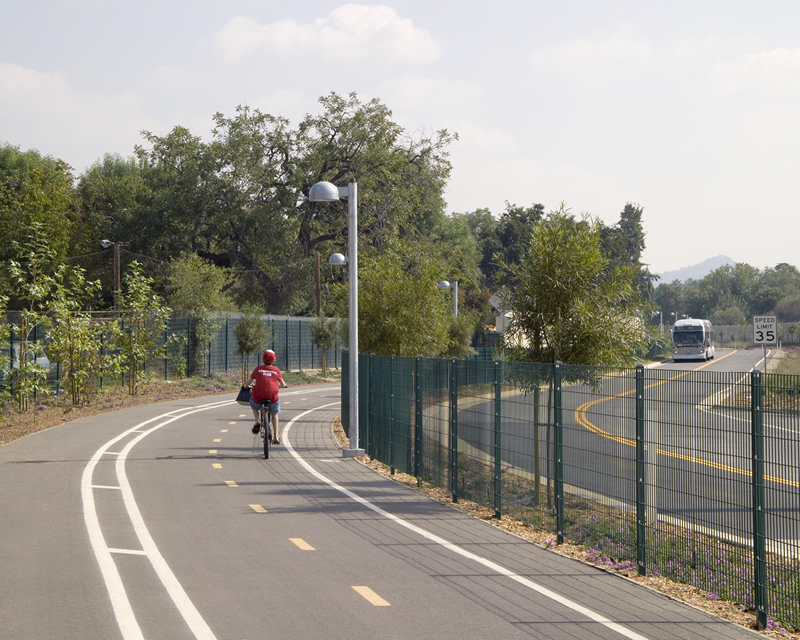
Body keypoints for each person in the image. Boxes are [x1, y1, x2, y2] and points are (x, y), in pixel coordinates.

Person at [247, 349, 287, 444]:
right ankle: (276, 436)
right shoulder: (276, 370)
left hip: (258, 395)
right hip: (272, 396)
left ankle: (257, 421)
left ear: (263, 359)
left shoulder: (258, 369)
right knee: (274, 413)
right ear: (274, 360)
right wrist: (283, 386)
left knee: (253, 403)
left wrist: (246, 386)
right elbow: (283, 384)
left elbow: (248, 382)